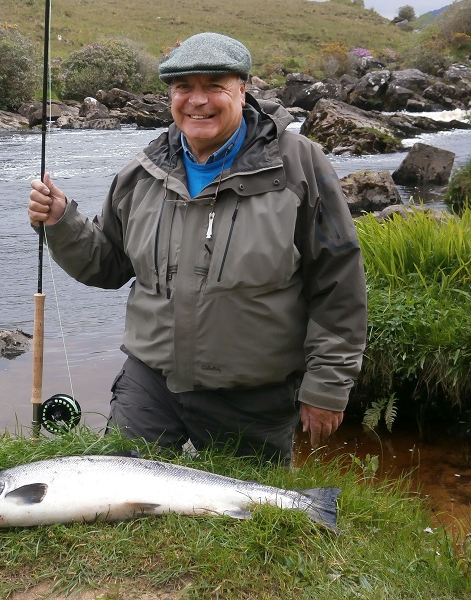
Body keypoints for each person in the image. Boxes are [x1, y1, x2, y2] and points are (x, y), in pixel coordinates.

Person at [29, 32, 367, 461]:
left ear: (243, 90)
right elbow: (108, 266)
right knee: (123, 510)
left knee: (249, 516)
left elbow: (338, 280)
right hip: (150, 385)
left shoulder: (299, 164)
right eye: (183, 87)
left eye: (214, 86)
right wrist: (61, 221)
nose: (197, 100)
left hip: (253, 396)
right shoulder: (142, 171)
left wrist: (328, 384)